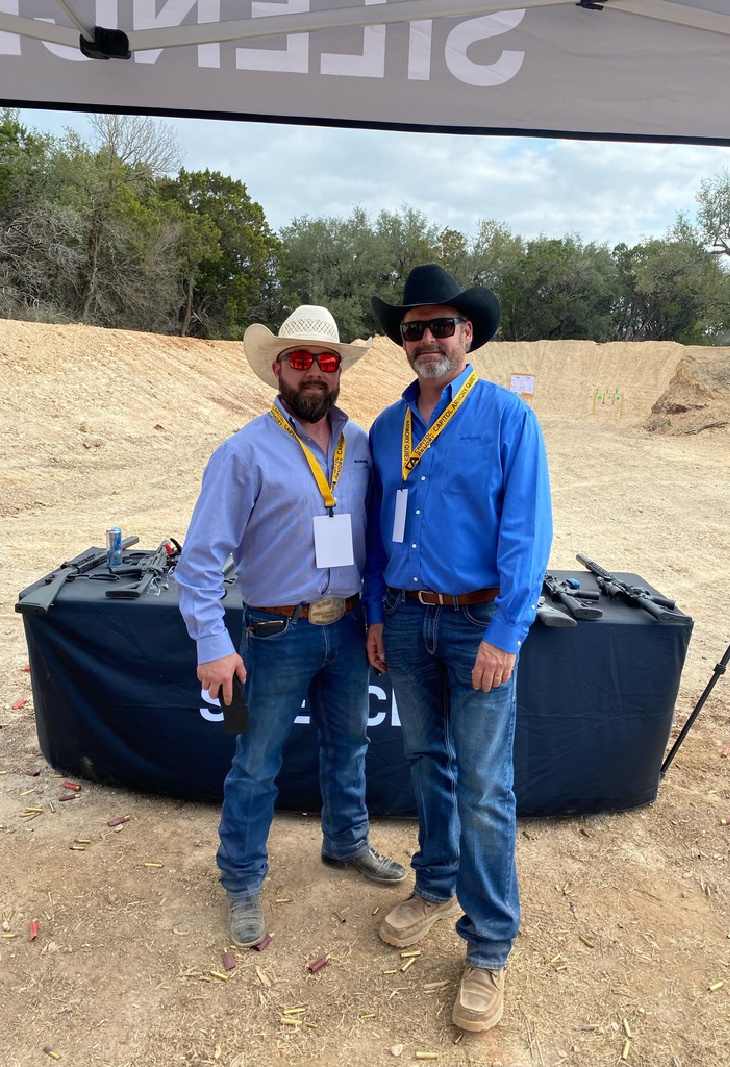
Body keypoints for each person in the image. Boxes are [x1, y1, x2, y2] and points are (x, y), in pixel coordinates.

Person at [175, 304, 406, 949]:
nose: (313, 373)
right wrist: (212, 646)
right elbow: (198, 561)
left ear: (338, 372)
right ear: (277, 368)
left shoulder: (360, 445)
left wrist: (377, 618)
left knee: (350, 746)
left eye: (325, 362)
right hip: (275, 635)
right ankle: (242, 879)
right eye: (299, 360)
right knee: (255, 762)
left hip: (350, 627)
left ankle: (345, 843)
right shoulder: (242, 453)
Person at [364, 265, 553, 1032]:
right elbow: (378, 531)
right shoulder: (385, 427)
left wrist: (507, 630)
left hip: (478, 623)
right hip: (407, 620)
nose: (429, 340)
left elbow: (527, 534)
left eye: (443, 326)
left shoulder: (509, 419)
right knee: (424, 761)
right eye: (415, 330)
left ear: (468, 335)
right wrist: (376, 612)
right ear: (403, 342)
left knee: (483, 786)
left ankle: (488, 947)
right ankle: (435, 882)